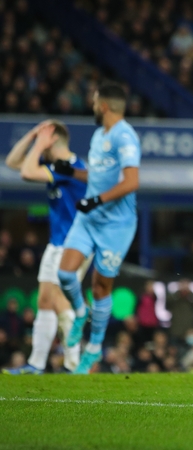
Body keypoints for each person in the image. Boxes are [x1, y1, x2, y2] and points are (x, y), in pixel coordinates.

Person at [55, 82, 141, 374]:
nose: (92, 106)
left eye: (94, 102)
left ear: (103, 106)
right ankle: (80, 312)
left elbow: (131, 182)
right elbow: (99, 176)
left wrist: (95, 201)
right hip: (90, 218)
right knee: (65, 273)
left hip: (116, 225)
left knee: (101, 287)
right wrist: (73, 173)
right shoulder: (98, 135)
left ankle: (93, 350)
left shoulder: (125, 135)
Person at [2, 121, 87, 374]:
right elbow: (13, 163)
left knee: (61, 300)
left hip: (74, 245)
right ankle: (36, 364)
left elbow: (27, 173)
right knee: (45, 300)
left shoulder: (71, 168)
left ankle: (75, 364)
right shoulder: (56, 167)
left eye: (44, 143)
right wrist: (32, 135)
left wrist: (39, 142)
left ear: (52, 142)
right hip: (58, 243)